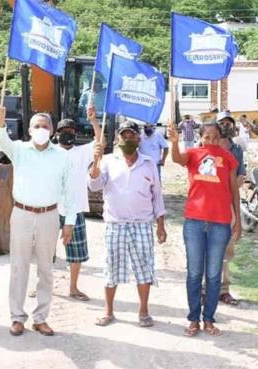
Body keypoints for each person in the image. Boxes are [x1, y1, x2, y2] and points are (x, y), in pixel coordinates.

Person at [0, 107, 75, 337]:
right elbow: (2, 141)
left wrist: (68, 222)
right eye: (37, 126)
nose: (41, 129)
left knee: (45, 269)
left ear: (52, 131)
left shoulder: (61, 156)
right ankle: (17, 317)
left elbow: (69, 191)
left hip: (49, 216)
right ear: (29, 130)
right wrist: (0, 123)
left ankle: (41, 318)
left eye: (45, 126)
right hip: (21, 214)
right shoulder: (20, 150)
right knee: (19, 267)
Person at [88, 121, 168, 328]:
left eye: (131, 135)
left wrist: (161, 224)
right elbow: (94, 185)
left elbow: (157, 196)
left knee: (144, 268)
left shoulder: (149, 163)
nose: (128, 139)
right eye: (124, 136)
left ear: (138, 138)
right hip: (115, 224)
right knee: (111, 267)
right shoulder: (107, 161)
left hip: (141, 224)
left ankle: (143, 311)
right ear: (117, 140)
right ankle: (108, 311)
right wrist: (95, 162)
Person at [168, 121, 242, 336]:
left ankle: (209, 318)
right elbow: (176, 158)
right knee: (194, 273)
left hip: (220, 223)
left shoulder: (228, 158)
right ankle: (193, 319)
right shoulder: (192, 154)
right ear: (200, 137)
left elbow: (234, 191)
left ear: (220, 138)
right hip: (195, 221)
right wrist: (174, 142)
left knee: (212, 274)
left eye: (214, 137)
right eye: (206, 136)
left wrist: (237, 220)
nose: (210, 140)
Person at [55, 106, 102, 301]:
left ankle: (73, 288)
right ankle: (43, 285)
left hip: (75, 208)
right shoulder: (48, 152)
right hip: (50, 208)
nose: (68, 134)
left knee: (76, 253)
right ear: (57, 134)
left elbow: (100, 142)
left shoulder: (82, 152)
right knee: (44, 251)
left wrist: (93, 121)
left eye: (72, 132)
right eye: (64, 132)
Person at [216, 112, 248, 306]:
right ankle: (204, 289)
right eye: (222, 122)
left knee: (227, 249)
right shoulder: (207, 145)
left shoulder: (237, 149)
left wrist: (234, 184)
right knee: (206, 248)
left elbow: (241, 176)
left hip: (229, 203)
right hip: (209, 203)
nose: (226, 125)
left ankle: (223, 290)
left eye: (229, 122)